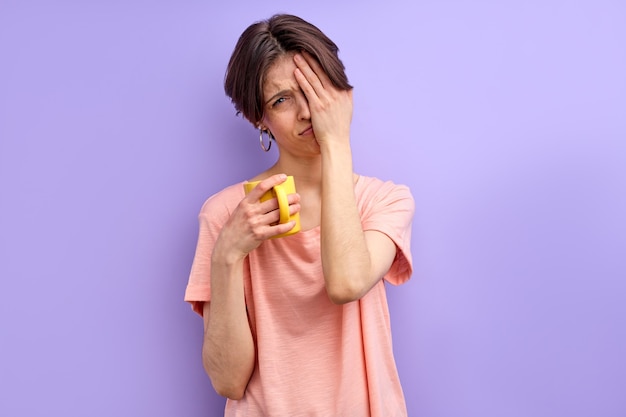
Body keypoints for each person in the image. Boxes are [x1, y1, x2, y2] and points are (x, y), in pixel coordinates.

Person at [185, 14, 415, 417]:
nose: (307, 111)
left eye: (315, 88)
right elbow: (228, 380)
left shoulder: (385, 201)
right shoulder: (226, 214)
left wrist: (337, 144)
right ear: (261, 119)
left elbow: (345, 283)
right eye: (282, 100)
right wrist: (227, 253)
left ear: (343, 93)